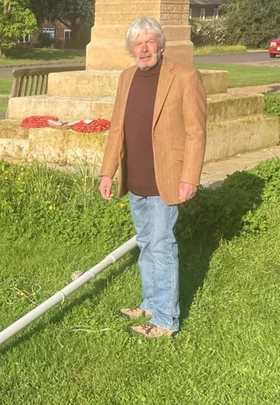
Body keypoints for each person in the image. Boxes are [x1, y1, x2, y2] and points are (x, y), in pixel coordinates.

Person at [98, 17, 207, 338]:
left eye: (149, 42)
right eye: (137, 44)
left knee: (161, 246)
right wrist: (108, 171)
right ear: (130, 49)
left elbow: (195, 132)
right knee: (146, 243)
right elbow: (116, 128)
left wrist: (190, 177)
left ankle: (164, 321)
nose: (143, 49)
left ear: (160, 45)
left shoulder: (185, 77)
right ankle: (150, 301)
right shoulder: (126, 77)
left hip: (167, 177)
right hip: (136, 177)